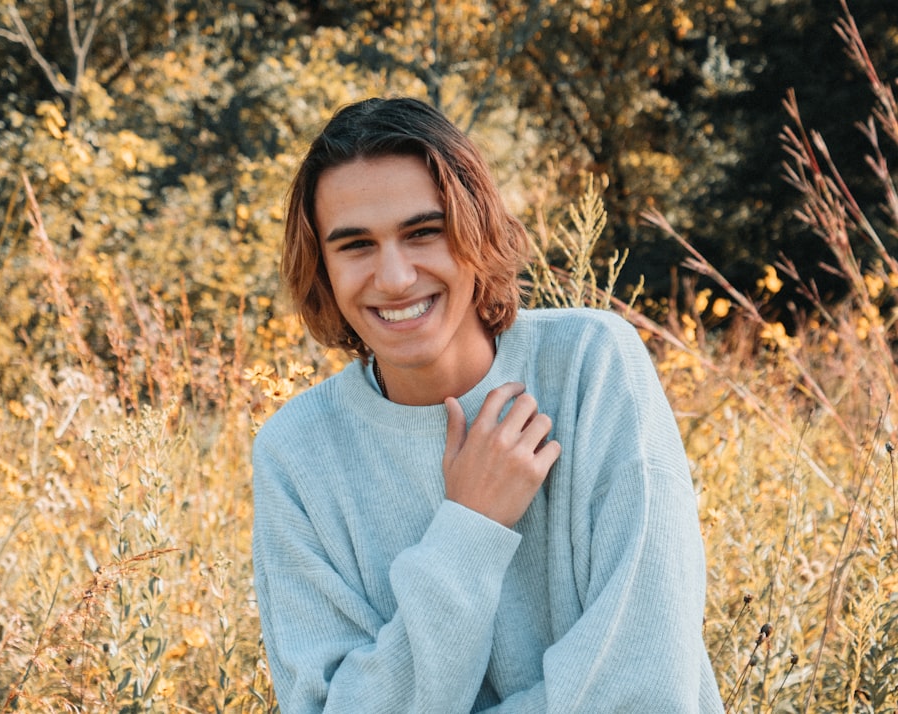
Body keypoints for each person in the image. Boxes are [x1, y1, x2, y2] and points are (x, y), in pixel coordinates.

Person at [251, 96, 723, 713]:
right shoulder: (296, 453)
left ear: (475, 229)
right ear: (322, 266)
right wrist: (469, 530)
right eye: (356, 245)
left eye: (424, 232)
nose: (393, 277)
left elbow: (645, 687)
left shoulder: (592, 365)